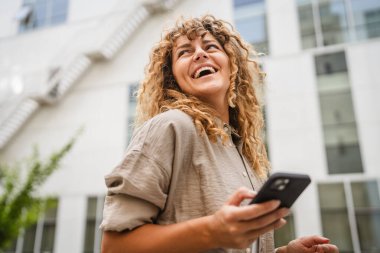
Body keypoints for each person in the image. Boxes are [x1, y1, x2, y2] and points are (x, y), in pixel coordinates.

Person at [100, 15, 339, 253]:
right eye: (184, 52)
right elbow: (114, 247)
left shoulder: (241, 148)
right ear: (173, 78)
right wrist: (211, 231)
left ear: (232, 63)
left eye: (210, 46)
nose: (199, 54)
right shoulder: (170, 127)